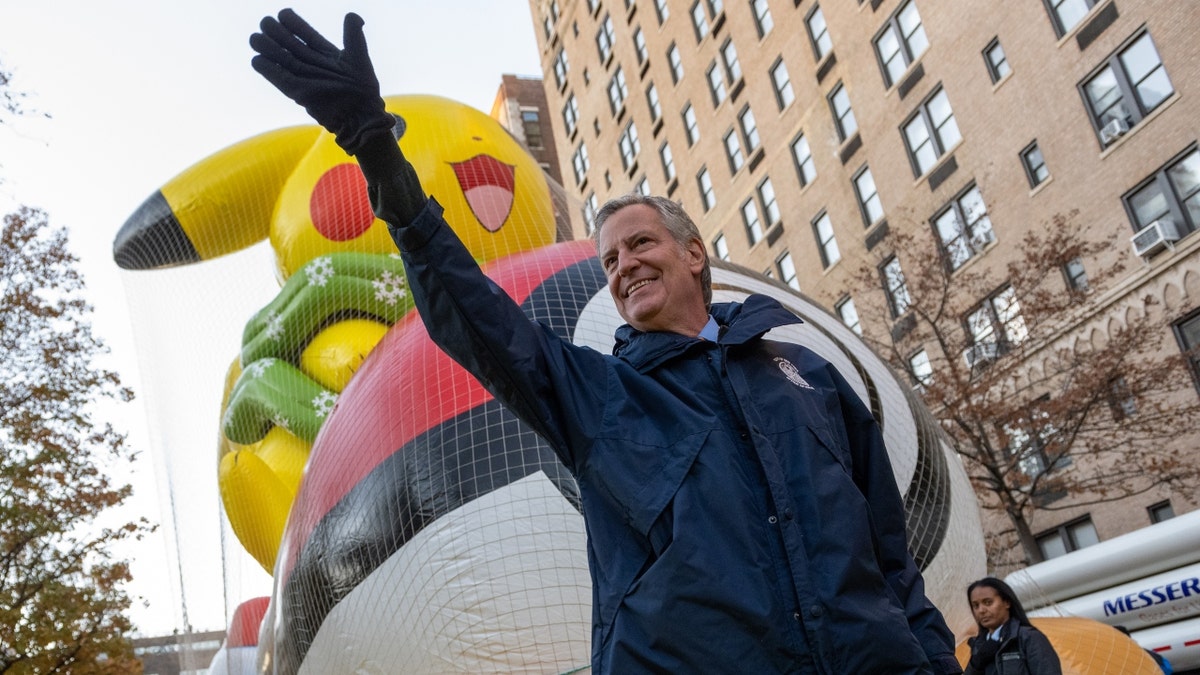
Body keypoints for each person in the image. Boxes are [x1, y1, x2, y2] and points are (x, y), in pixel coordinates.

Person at [249, 9, 963, 674]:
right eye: (611, 261)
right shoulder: (598, 392)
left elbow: (893, 559)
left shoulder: (805, 373)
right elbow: (470, 312)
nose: (624, 267)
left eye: (640, 243)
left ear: (693, 255)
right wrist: (377, 150)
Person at [965, 577, 1062, 675]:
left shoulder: (1029, 638)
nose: (981, 610)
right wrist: (975, 665)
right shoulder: (978, 646)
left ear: (1007, 602)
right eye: (976, 606)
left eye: (988, 602)